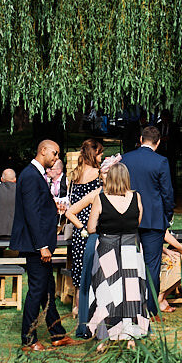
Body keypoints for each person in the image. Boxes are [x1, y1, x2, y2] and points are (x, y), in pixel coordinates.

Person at [67, 161, 151, 345]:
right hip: (131, 249)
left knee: (107, 291)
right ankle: (131, 335)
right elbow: (137, 221)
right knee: (131, 292)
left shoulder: (101, 198)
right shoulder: (136, 197)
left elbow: (91, 228)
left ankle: (104, 336)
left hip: (107, 248)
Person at [9, 139, 74, 351]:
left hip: (40, 242)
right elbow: (31, 213)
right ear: (43, 150)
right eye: (54, 153)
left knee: (47, 289)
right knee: (37, 291)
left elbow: (38, 207)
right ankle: (28, 340)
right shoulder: (30, 175)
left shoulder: (36, 174)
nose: (56, 158)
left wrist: (52, 207)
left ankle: (57, 335)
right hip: (36, 244)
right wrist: (42, 246)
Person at [121, 125, 175, 312]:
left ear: (141, 139)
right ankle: (150, 309)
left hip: (129, 218)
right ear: (158, 142)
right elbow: (167, 193)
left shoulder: (126, 159)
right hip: (153, 220)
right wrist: (167, 216)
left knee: (129, 263)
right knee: (152, 265)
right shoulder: (161, 161)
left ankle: (130, 306)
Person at [66, 139, 104, 335]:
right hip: (91, 225)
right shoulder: (98, 175)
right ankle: (89, 311)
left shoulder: (75, 175)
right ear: (93, 154)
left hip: (77, 225)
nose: (102, 157)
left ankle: (78, 307)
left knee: (80, 268)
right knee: (92, 269)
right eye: (100, 153)